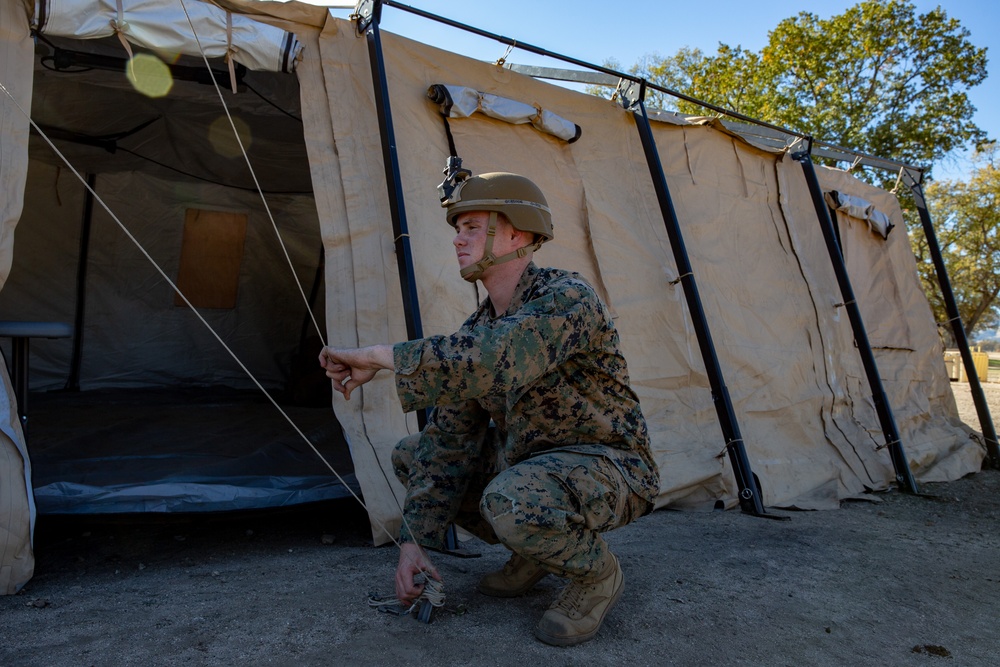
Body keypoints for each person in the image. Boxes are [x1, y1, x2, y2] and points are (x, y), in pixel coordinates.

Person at [319, 171, 659, 646]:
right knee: (413, 455)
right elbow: (448, 444)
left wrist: (380, 357)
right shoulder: (477, 328)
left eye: (472, 227)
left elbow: (494, 358)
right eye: (458, 230)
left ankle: (596, 574)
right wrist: (414, 543)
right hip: (530, 470)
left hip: (610, 467)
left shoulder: (566, 298)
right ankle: (536, 551)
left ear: (517, 232)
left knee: (514, 499)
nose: (458, 240)